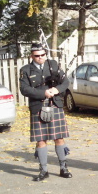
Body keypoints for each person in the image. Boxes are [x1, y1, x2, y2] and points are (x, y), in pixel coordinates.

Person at [19, 43, 72, 181]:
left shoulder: (53, 65)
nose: (40, 58)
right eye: (37, 56)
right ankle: (43, 170)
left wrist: (57, 90)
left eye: (43, 55)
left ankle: (63, 168)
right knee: (41, 140)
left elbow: (65, 82)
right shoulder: (26, 70)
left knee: (59, 137)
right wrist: (43, 93)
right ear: (32, 56)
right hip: (38, 106)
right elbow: (24, 89)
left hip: (54, 105)